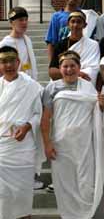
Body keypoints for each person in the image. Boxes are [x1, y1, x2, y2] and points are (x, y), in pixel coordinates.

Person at [41, 50, 104, 219]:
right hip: (61, 145)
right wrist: (47, 143)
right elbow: (46, 118)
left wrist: (101, 105)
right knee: (65, 185)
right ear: (60, 68)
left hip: (85, 144)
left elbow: (97, 115)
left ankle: (87, 215)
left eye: (72, 66)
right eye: (65, 66)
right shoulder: (51, 88)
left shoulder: (87, 86)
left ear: (79, 68)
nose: (69, 70)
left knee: (86, 183)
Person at [0, 46, 44, 219]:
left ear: (18, 62)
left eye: (11, 60)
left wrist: (27, 126)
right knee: (2, 197)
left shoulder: (32, 86)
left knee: (22, 198)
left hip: (22, 150)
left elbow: (39, 113)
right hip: (2, 150)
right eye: (3, 61)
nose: (8, 65)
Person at [48, 10, 100, 85]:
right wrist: (78, 74)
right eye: (73, 22)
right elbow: (52, 71)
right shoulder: (60, 45)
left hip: (84, 86)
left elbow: (93, 70)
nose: (75, 25)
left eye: (79, 22)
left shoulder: (93, 45)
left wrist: (70, 74)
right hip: (63, 86)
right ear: (68, 24)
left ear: (85, 25)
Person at [0, 6, 38, 80]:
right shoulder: (5, 44)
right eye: (20, 20)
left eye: (26, 20)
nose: (24, 22)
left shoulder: (27, 40)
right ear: (11, 23)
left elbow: (30, 64)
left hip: (29, 82)